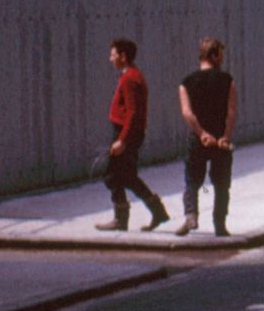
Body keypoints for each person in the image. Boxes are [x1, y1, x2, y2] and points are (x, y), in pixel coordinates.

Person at [97, 38, 169, 232]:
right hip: (127, 134)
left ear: (123, 56)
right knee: (127, 176)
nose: (110, 58)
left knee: (111, 175)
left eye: (113, 54)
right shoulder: (130, 75)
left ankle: (122, 219)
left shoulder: (130, 78)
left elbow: (133, 112)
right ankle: (157, 212)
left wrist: (122, 140)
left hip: (125, 134)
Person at [176, 36, 237, 237]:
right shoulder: (228, 80)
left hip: (198, 139)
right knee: (221, 184)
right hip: (220, 140)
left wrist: (201, 134)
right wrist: (225, 136)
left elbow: (187, 113)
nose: (223, 58)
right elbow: (231, 111)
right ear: (213, 55)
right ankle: (220, 224)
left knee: (192, 180)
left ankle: (191, 216)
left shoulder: (186, 82)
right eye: (221, 54)